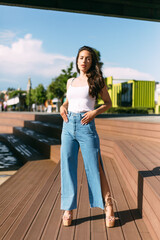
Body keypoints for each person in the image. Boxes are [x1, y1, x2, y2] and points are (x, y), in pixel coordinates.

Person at [60, 46, 115, 228]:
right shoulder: (70, 81)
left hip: (86, 125)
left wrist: (93, 113)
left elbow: (108, 103)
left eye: (88, 58)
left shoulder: (97, 80)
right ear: (77, 60)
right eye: (81, 58)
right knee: (68, 167)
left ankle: (109, 206)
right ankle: (68, 210)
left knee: (95, 167)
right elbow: (69, 101)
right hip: (68, 126)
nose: (84, 61)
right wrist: (62, 106)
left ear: (92, 62)